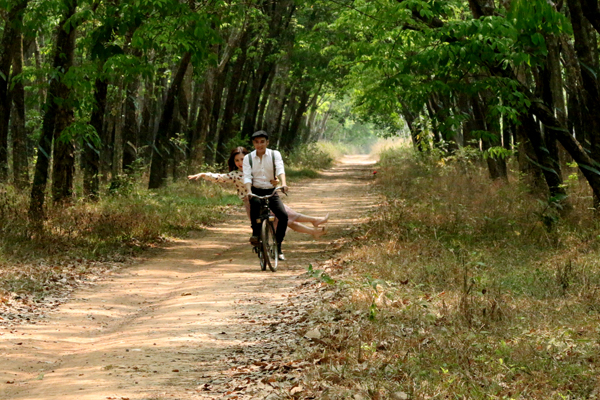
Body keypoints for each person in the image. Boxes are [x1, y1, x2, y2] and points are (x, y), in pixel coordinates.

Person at [187, 146, 328, 242]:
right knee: (287, 220)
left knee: (288, 215)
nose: (240, 163)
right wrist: (204, 174)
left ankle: (314, 223)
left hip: (267, 198)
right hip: (252, 203)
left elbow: (272, 178)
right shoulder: (235, 175)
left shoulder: (257, 170)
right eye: (237, 160)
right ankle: (313, 228)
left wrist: (275, 181)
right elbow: (219, 177)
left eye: (243, 159)